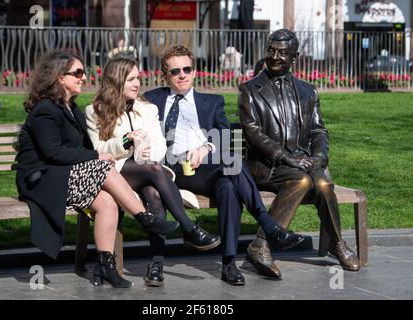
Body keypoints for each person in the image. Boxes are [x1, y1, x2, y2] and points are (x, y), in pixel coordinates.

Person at [15, 50, 179, 289]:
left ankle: (105, 266)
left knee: (107, 202)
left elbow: (81, 147)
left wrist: (115, 147)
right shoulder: (46, 110)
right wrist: (96, 156)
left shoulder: (70, 108)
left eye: (83, 72)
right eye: (77, 73)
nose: (83, 77)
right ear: (60, 77)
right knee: (103, 165)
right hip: (42, 179)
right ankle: (145, 218)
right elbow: (53, 152)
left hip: (64, 175)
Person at [144, 45, 305, 286]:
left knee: (228, 186)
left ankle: (229, 263)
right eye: (175, 71)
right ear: (165, 75)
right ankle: (268, 224)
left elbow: (224, 135)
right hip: (169, 169)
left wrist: (205, 148)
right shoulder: (152, 100)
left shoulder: (211, 101)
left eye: (187, 69)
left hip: (205, 167)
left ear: (195, 72)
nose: (182, 75)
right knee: (232, 165)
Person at [85, 56, 221, 287]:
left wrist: (147, 153)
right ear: (116, 81)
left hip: (146, 171)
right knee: (154, 173)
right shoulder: (94, 110)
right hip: (114, 172)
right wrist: (125, 141)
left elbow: (159, 145)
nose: (137, 84)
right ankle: (189, 228)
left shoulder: (147, 109)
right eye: (130, 79)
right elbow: (98, 149)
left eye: (138, 78)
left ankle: (156, 264)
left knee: (154, 192)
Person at [238, 29, 360, 272]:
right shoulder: (249, 90)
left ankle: (336, 243)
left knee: (324, 185)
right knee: (302, 181)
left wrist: (319, 157)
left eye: (283, 53)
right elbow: (253, 134)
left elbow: (318, 131)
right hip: (267, 165)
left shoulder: (308, 91)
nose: (275, 56)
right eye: (271, 50)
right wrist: (286, 157)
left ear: (295, 57)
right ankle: (261, 244)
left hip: (302, 162)